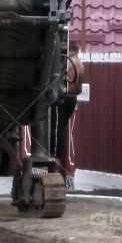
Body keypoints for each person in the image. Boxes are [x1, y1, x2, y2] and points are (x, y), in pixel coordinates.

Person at [52, 40, 84, 185]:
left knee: (56, 133)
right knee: (61, 131)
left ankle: (55, 168)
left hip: (64, 98)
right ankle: (58, 168)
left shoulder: (68, 62)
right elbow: (79, 87)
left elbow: (60, 81)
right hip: (73, 99)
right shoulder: (80, 63)